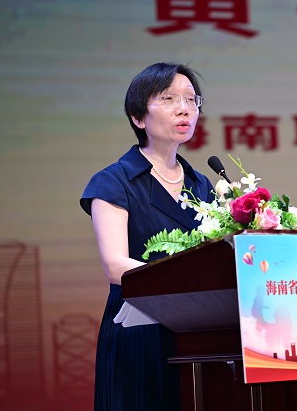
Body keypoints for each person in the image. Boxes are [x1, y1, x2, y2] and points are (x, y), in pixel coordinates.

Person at [80, 62, 215, 410]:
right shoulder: (114, 181)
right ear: (138, 117)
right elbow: (115, 266)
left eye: (191, 99)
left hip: (197, 330)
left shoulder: (202, 184)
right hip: (140, 328)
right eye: (169, 99)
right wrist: (184, 283)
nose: (185, 108)